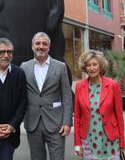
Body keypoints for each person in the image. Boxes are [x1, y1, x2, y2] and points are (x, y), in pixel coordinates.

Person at [20, 32, 73, 160]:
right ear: (32, 46)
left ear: (49, 47)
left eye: (44, 44)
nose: (41, 46)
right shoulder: (24, 67)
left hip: (56, 123)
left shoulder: (60, 67)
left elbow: (66, 96)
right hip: (33, 123)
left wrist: (67, 122)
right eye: (37, 43)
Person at [74, 50, 125, 159]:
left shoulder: (113, 85)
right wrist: (77, 143)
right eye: (88, 65)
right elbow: (77, 116)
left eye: (94, 64)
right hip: (89, 138)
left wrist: (122, 142)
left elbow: (119, 115)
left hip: (109, 139)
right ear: (84, 67)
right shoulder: (79, 86)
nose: (91, 68)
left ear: (100, 66)